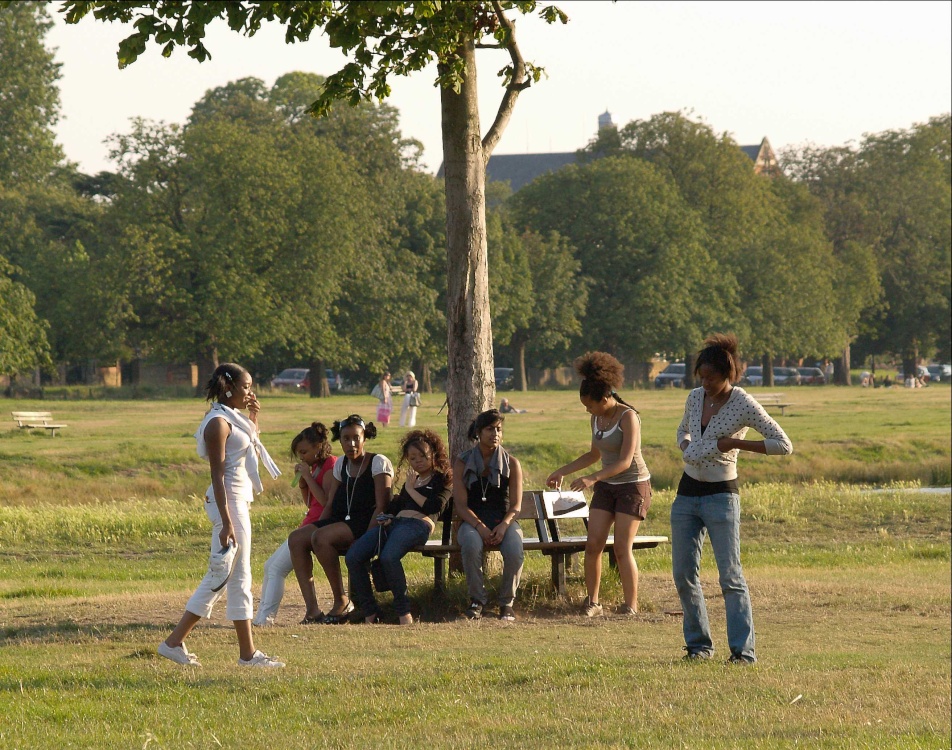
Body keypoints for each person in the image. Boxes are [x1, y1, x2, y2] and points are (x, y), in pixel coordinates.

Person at [672, 333, 793, 664]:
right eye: (701, 376)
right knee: (683, 574)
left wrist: (735, 444)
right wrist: (686, 446)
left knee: (730, 576)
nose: (705, 383)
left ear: (729, 374)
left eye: (711, 377)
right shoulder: (695, 398)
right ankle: (698, 646)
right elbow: (682, 429)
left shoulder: (743, 403)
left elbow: (783, 444)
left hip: (721, 497)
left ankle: (743, 652)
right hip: (686, 494)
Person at [158, 363, 284, 668]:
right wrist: (227, 521)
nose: (250, 392)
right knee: (229, 576)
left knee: (232, 576)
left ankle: (181, 643)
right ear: (228, 387)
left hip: (238, 501)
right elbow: (217, 475)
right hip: (228, 502)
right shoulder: (218, 422)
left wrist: (254, 418)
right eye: (245, 387)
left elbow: (248, 447)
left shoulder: (232, 417)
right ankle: (240, 654)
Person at [546, 352, 652, 616]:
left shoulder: (628, 417)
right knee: (593, 544)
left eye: (590, 405)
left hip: (632, 486)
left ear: (605, 398)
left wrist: (593, 478)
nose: (587, 410)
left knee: (620, 548)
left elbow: (626, 461)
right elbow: (594, 454)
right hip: (607, 485)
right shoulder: (597, 418)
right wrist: (562, 470)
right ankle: (592, 602)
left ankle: (631, 605)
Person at [345, 429, 452, 625]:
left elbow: (434, 507)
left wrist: (411, 489)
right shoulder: (412, 481)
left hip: (418, 526)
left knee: (388, 557)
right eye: (412, 458)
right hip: (395, 525)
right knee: (354, 556)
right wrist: (389, 516)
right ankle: (370, 612)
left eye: (423, 456)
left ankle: (404, 613)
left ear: (433, 454)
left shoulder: (443, 479)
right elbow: (397, 505)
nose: (417, 461)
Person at [302, 414, 393, 624]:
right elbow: (331, 503)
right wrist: (318, 524)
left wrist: (367, 539)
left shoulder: (378, 462)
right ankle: (312, 610)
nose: (351, 443)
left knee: (321, 538)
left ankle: (341, 600)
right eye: (346, 438)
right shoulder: (341, 463)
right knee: (297, 538)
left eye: (356, 438)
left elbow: (382, 506)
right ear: (339, 440)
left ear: (364, 438)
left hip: (365, 524)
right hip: (343, 521)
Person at [253, 422, 336, 626]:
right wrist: (303, 484)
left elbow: (326, 502)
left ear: (319, 447)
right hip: (309, 522)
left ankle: (265, 619)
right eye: (299, 454)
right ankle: (265, 617)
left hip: (320, 525)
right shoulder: (314, 467)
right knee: (270, 566)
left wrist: (307, 476)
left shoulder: (330, 465)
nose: (302, 457)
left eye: (304, 452)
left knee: (276, 569)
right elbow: (310, 503)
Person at [453, 409, 524, 621]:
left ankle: (507, 602)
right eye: (489, 429)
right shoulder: (463, 462)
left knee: (514, 549)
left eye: (499, 429)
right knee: (471, 545)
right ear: (478, 432)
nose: (495, 434)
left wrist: (504, 526)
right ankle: (477, 600)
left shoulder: (511, 463)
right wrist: (479, 526)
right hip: (473, 522)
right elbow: (461, 505)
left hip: (504, 520)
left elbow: (516, 505)